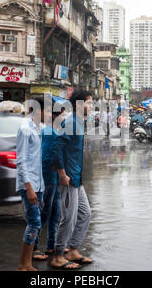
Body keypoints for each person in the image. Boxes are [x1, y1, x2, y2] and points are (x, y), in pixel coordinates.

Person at [50, 90, 94, 270]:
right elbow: (56, 148)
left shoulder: (79, 122)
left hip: (76, 177)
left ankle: (73, 249)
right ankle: (58, 255)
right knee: (68, 218)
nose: (91, 106)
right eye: (89, 103)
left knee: (85, 213)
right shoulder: (71, 122)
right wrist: (62, 173)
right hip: (68, 178)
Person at [17, 98, 46, 271]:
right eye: (47, 111)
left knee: (35, 222)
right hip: (29, 184)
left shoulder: (39, 128)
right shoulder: (25, 128)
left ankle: (27, 263)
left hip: (39, 183)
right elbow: (21, 161)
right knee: (34, 223)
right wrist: (28, 187)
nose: (49, 115)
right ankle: (23, 264)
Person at [33, 99, 64, 260]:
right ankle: (35, 247)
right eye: (63, 114)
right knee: (44, 213)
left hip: (55, 179)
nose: (65, 117)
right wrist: (59, 172)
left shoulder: (54, 132)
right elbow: (46, 158)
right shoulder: (50, 133)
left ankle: (52, 245)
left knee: (55, 214)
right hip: (49, 178)